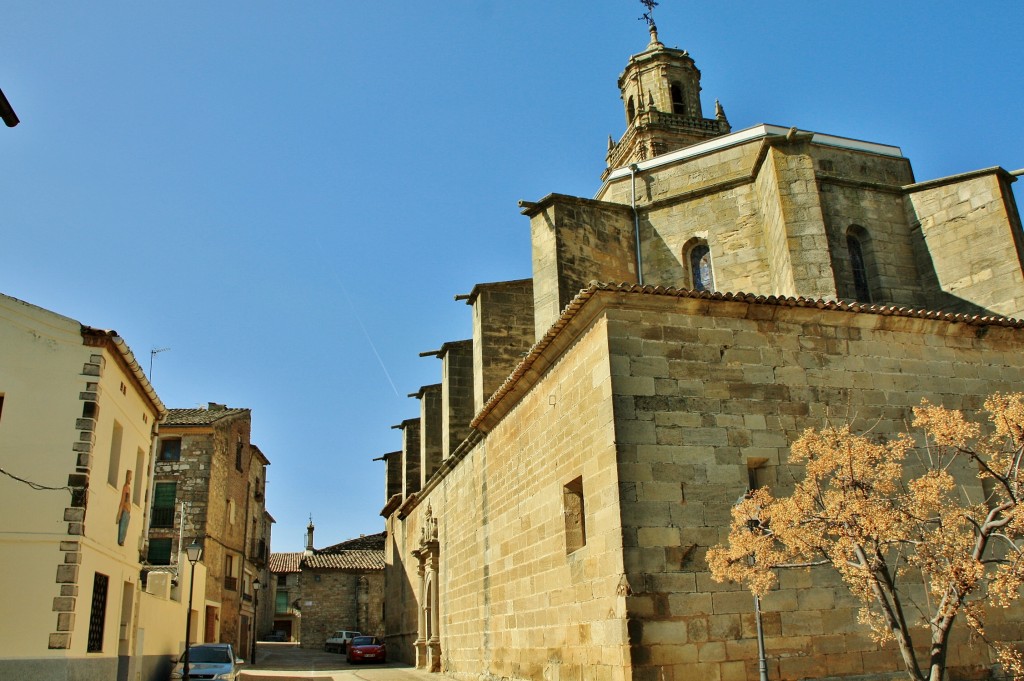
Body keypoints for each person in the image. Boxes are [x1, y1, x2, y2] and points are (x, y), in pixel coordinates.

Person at [116, 470, 132, 546]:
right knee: (122, 527)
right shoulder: (125, 487)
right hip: (125, 510)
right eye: (130, 477)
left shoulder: (129, 488)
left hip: (128, 511)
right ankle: (121, 540)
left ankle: (122, 540)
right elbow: (122, 500)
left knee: (125, 529)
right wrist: (119, 514)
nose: (130, 479)